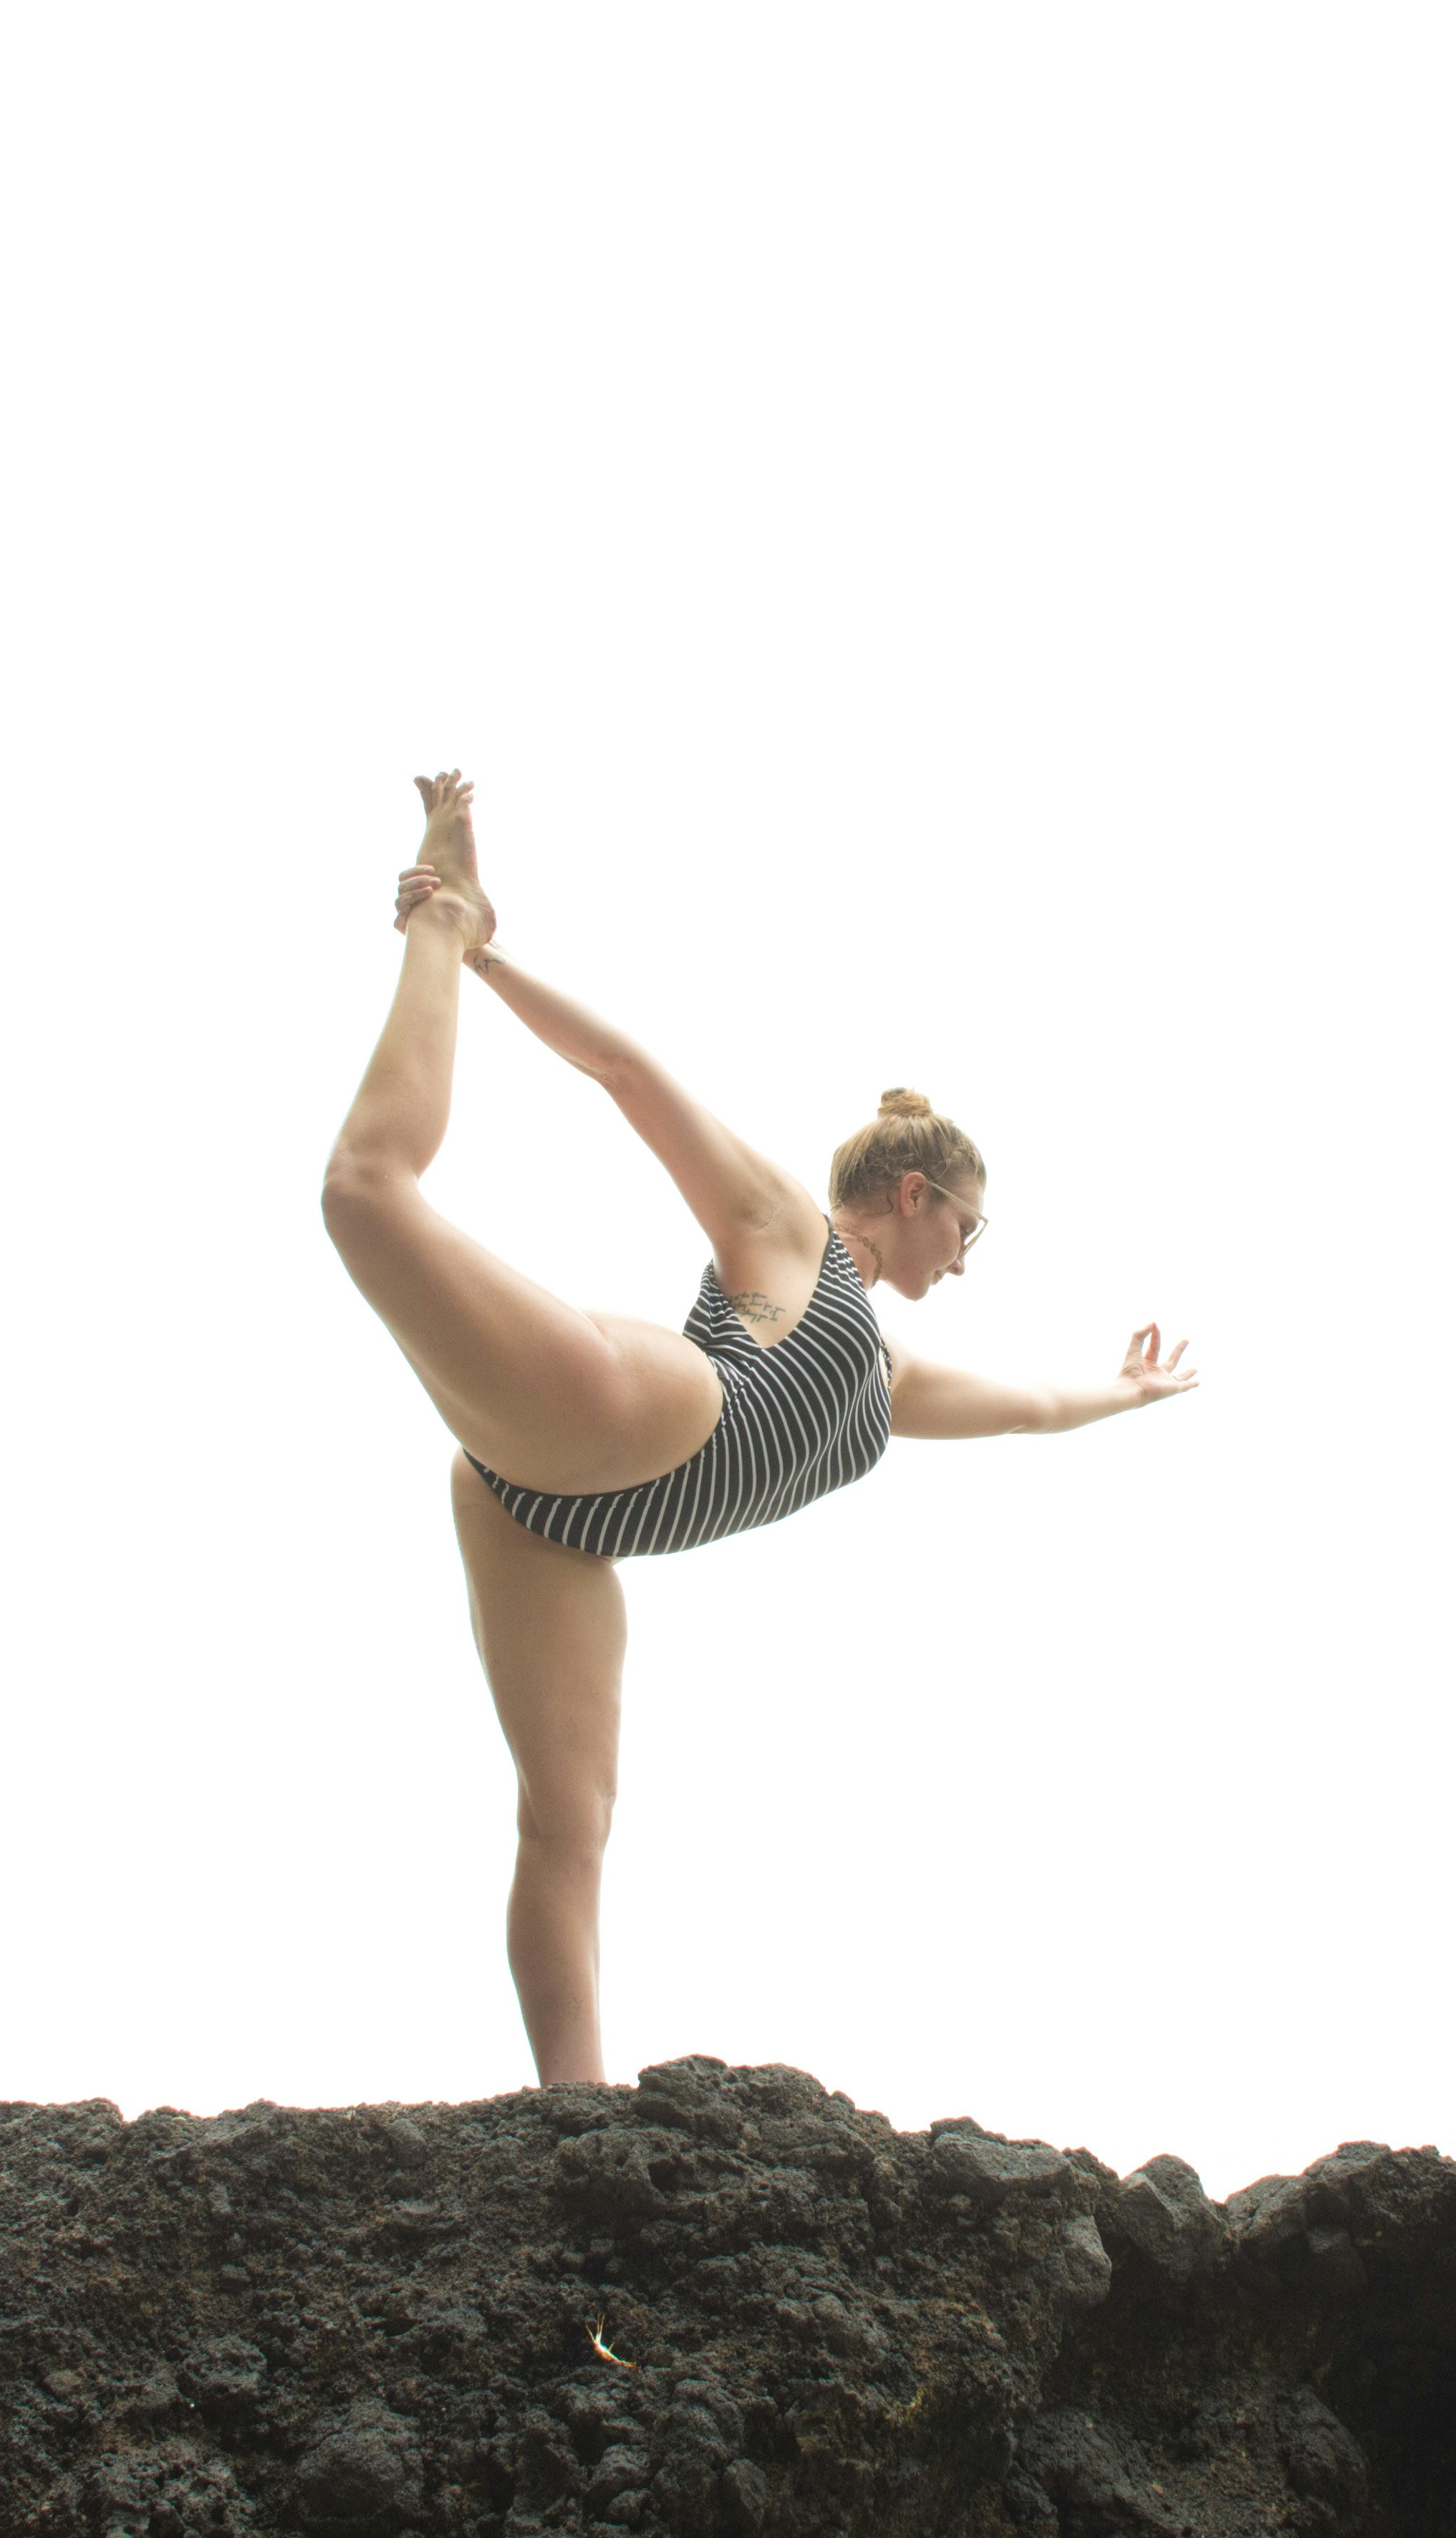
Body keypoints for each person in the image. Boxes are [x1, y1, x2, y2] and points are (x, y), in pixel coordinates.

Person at [321, 772, 1200, 2083]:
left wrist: (1121, 1395)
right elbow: (629, 1073)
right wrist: (487, 949)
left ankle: (577, 2128)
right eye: (966, 1229)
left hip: (556, 1521)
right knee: (365, 1195)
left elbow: (1025, 1412)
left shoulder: (887, 1391)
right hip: (656, 1412)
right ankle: (431, 931)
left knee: (570, 1822)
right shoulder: (793, 1232)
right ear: (914, 1194)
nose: (963, 1260)